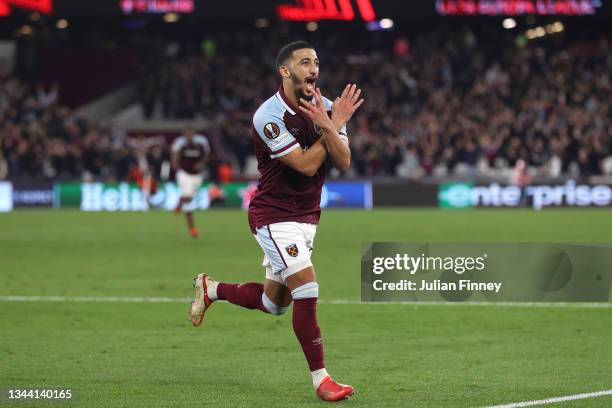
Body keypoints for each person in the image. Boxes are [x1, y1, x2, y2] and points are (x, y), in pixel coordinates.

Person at [189, 41, 364, 401]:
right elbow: (305, 164)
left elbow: (343, 161)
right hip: (273, 215)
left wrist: (333, 124)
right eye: (304, 62)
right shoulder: (268, 115)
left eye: (316, 61)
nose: (313, 68)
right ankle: (322, 380)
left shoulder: (328, 107)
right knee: (307, 288)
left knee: (275, 304)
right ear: (285, 71)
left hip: (307, 216)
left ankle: (212, 289)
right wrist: (332, 126)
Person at [171, 127, 211, 237]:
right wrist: (176, 165)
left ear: (194, 134)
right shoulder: (182, 146)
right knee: (188, 199)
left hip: (197, 175)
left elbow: (207, 156)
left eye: (191, 134)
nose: (189, 136)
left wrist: (201, 164)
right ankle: (192, 228)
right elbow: (176, 156)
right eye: (187, 134)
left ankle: (180, 202)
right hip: (184, 174)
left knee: (189, 197)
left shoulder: (200, 145)